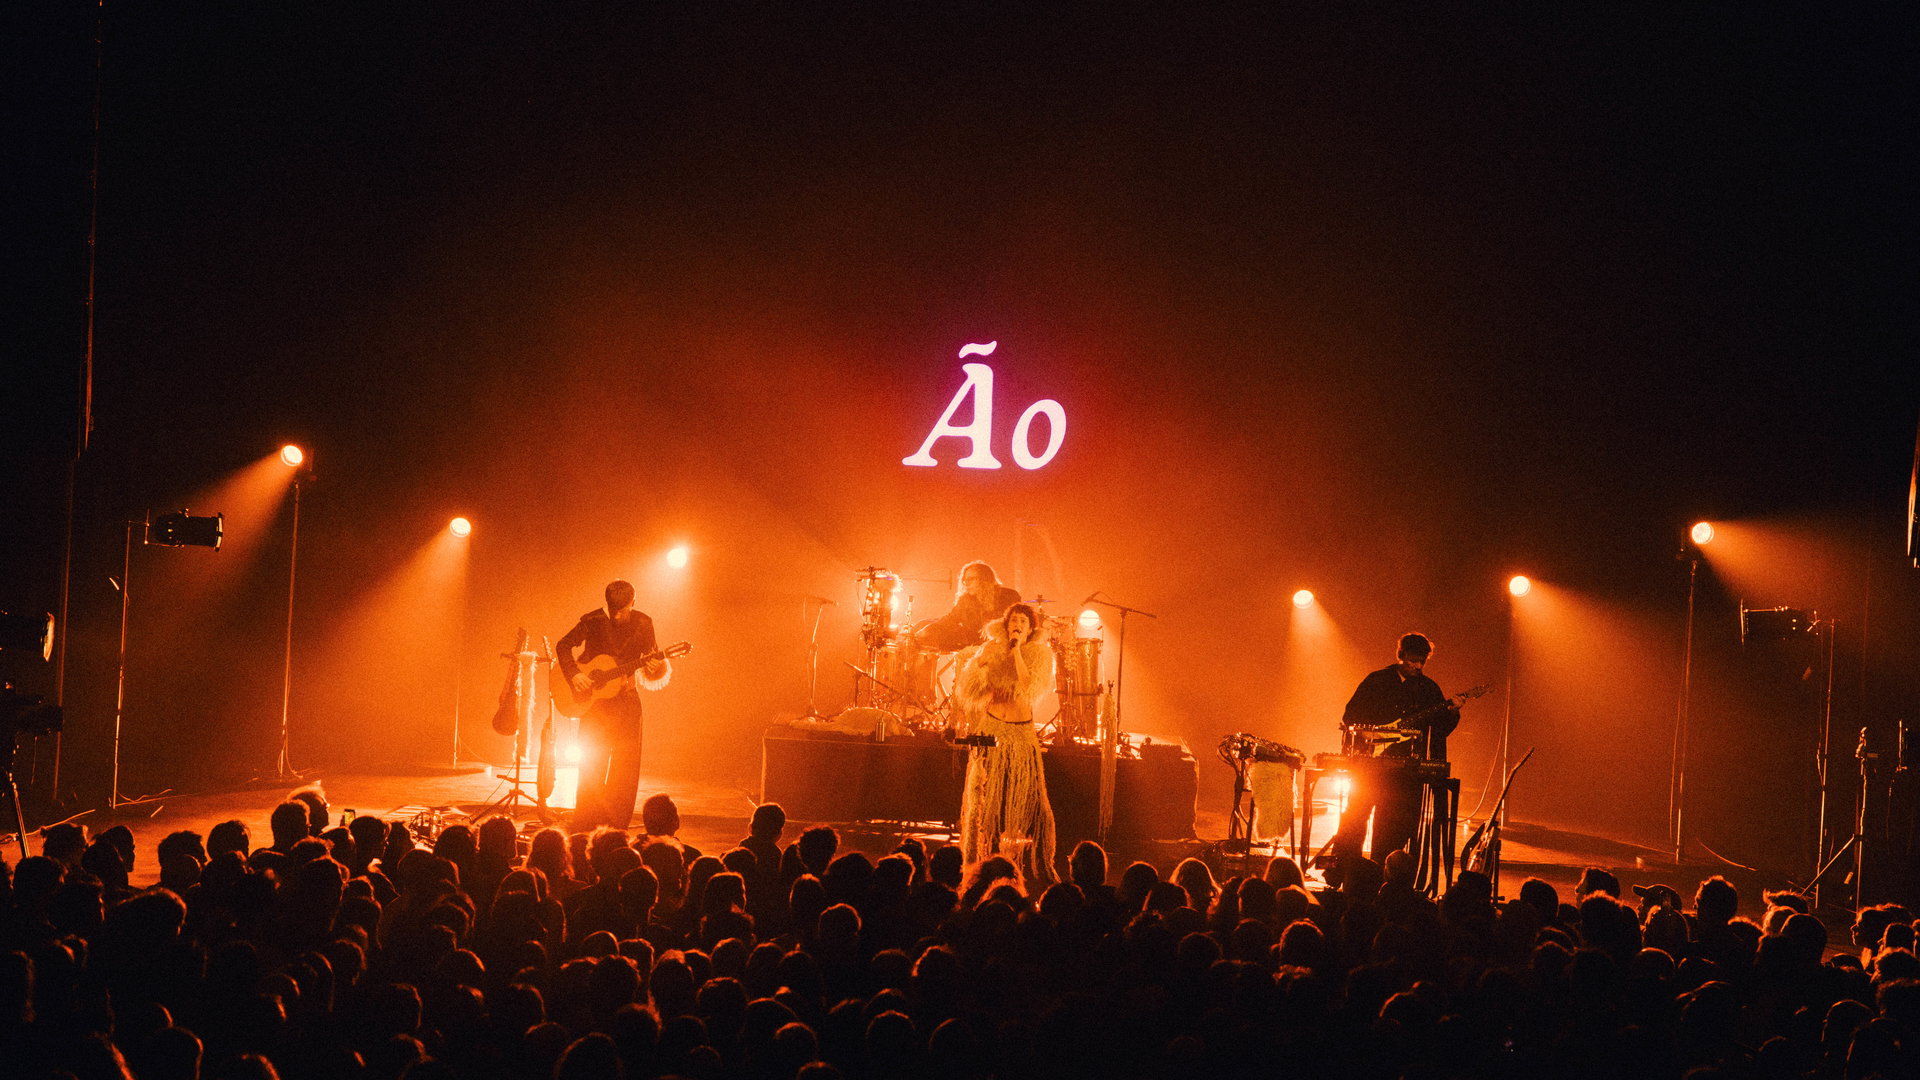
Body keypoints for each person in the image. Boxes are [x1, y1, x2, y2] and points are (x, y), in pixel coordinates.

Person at [1332, 632, 1458, 868]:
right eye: (1412, 660)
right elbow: (1351, 715)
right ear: (1400, 655)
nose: (1417, 666)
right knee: (1355, 817)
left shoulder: (1428, 688)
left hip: (1405, 770)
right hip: (1370, 764)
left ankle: (1384, 871)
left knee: (1396, 823)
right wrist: (1370, 734)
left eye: (1422, 661)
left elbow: (1440, 727)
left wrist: (1452, 712)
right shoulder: (1376, 680)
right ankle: (1345, 871)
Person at [555, 580, 671, 831]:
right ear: (607, 604)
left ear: (633, 602)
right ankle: (585, 821)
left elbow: (653, 657)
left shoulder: (643, 623)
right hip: (595, 705)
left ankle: (616, 824)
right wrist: (575, 674)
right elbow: (563, 645)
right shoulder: (592, 621)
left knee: (625, 765)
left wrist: (656, 666)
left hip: (627, 701)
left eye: (624, 609)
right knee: (592, 763)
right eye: (614, 610)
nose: (619, 615)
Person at [954, 602, 1057, 884]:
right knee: (986, 795)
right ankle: (979, 859)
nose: (1018, 624)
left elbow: (1029, 686)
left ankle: (1036, 862)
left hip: (1021, 733)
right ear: (1006, 623)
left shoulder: (1040, 654)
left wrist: (1017, 651)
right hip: (993, 727)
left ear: (1031, 628)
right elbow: (971, 689)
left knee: (1029, 796)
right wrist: (979, 663)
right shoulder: (993, 648)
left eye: (1023, 621)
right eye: (1014, 619)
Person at [913, 561, 1023, 652]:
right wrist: (926, 630)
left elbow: (1017, 623)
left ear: (984, 579)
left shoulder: (1008, 596)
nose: (966, 583)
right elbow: (950, 619)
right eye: (965, 580)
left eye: (971, 579)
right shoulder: (965, 600)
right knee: (923, 624)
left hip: (1001, 646)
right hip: (972, 645)